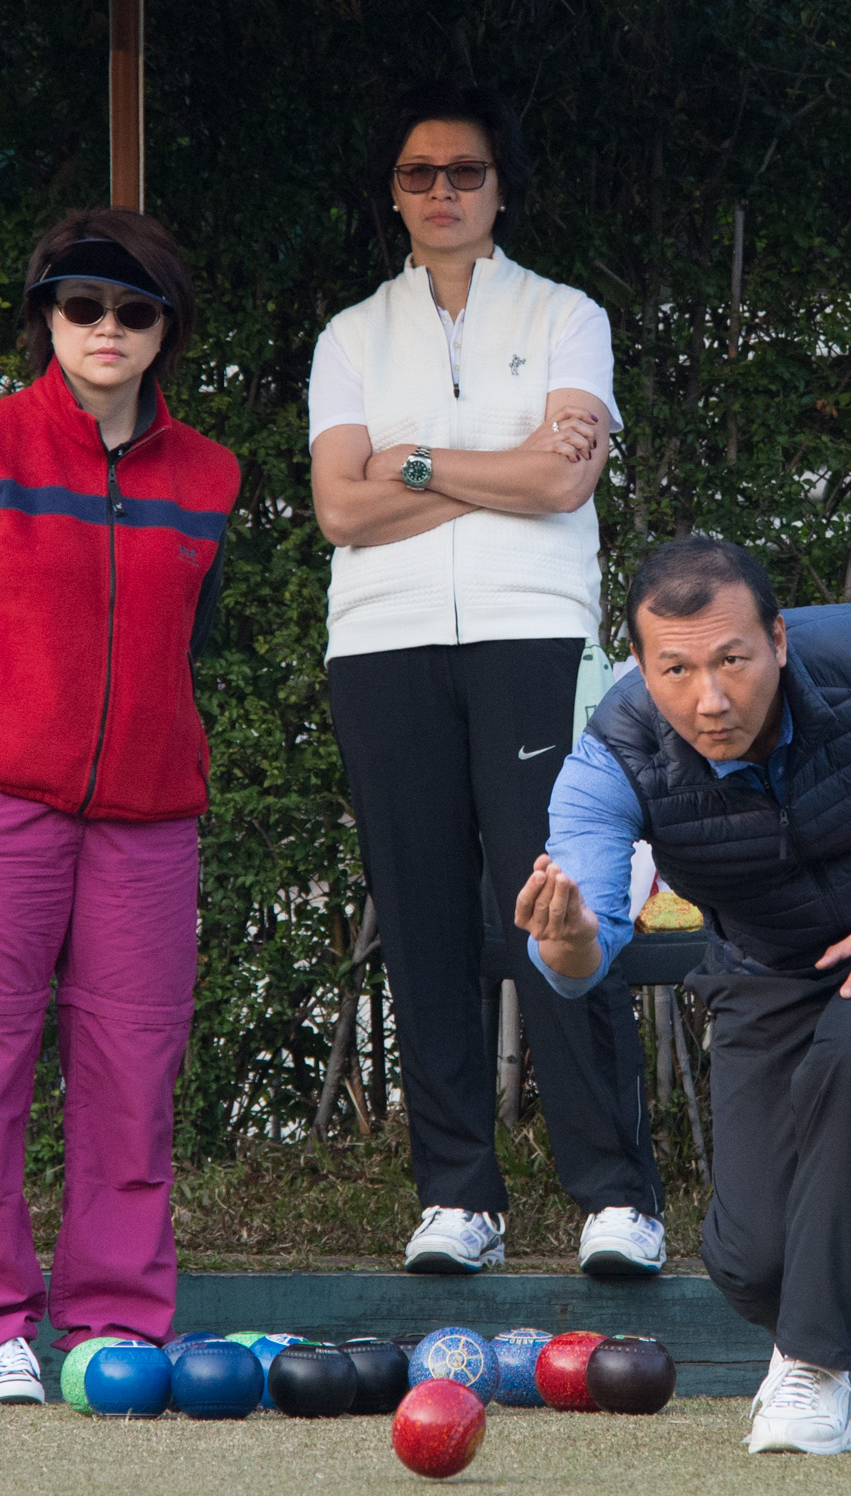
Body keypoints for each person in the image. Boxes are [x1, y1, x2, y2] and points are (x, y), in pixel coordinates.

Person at [515, 538, 851, 1454]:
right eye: (677, 670)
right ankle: (823, 1283)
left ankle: (814, 1370)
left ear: (778, 639)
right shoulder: (611, 757)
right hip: (768, 963)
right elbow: (583, 955)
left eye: (732, 660)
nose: (711, 699)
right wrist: (565, 940)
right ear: (640, 668)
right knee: (749, 1262)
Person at [0, 210, 237, 1405]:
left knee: (135, 1081)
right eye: (83, 306)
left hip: (148, 822)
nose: (107, 329)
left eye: (135, 311)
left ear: (166, 330)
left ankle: (113, 1329)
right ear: (47, 316)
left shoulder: (210, 477)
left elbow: (191, 640)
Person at [308, 81, 665, 1276]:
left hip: (532, 631)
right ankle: (457, 1193)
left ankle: (616, 1195)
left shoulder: (566, 316)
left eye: (466, 171)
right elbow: (338, 507)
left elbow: (563, 482)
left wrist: (407, 462)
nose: (444, 191)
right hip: (381, 642)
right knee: (419, 917)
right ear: (394, 193)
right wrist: (491, 468)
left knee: (559, 892)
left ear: (501, 188)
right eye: (420, 173)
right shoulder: (352, 336)